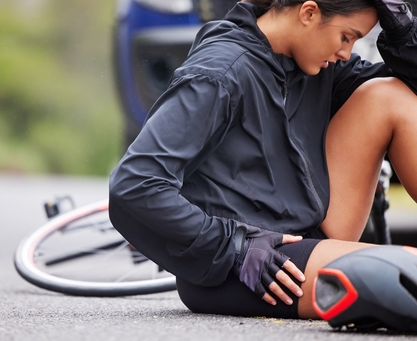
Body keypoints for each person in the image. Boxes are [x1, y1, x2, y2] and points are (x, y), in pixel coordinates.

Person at [108, 0, 417, 320]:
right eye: (346, 37)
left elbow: (409, 90)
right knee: (408, 273)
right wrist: (235, 248)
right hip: (248, 265)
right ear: (309, 13)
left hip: (310, 235)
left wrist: (405, 37)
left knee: (390, 95)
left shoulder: (312, 62)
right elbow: (135, 184)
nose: (347, 52)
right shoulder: (219, 72)